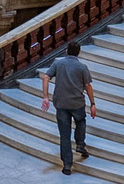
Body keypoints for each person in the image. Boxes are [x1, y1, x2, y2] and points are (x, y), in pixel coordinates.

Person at [40, 41, 96, 174]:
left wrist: (46, 97)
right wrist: (93, 103)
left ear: (66, 51)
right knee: (80, 121)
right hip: (77, 103)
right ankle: (80, 144)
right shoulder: (82, 67)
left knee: (64, 135)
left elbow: (46, 77)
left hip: (61, 103)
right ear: (78, 53)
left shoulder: (58, 64)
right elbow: (88, 85)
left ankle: (67, 165)